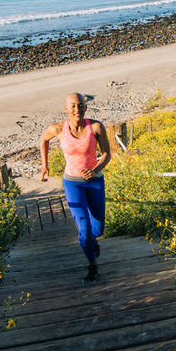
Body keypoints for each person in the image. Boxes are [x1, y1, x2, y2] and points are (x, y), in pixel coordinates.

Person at [39, 93, 111, 283]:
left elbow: (106, 155)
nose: (76, 110)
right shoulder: (57, 129)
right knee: (83, 228)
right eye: (72, 106)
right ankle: (92, 265)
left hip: (95, 182)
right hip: (72, 183)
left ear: (85, 108)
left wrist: (95, 170)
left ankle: (93, 241)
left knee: (98, 228)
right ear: (66, 109)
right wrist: (44, 165)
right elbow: (44, 140)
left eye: (80, 106)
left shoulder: (95, 127)